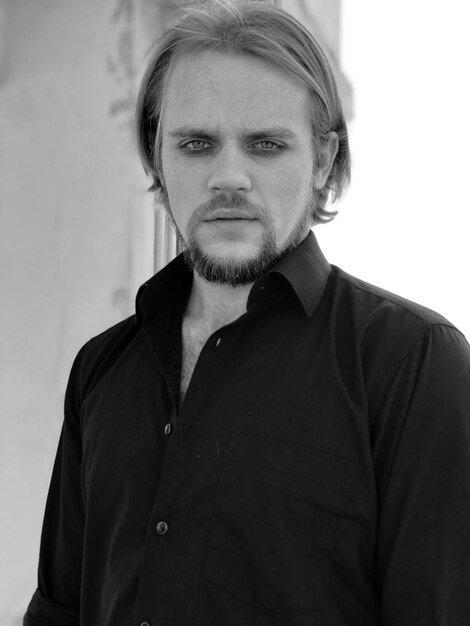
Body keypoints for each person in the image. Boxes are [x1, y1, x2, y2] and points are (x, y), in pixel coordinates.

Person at [24, 1, 470, 625]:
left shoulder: (415, 362)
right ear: (158, 158)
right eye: (197, 143)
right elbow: (59, 612)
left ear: (321, 162)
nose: (227, 177)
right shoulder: (100, 369)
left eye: (265, 144)